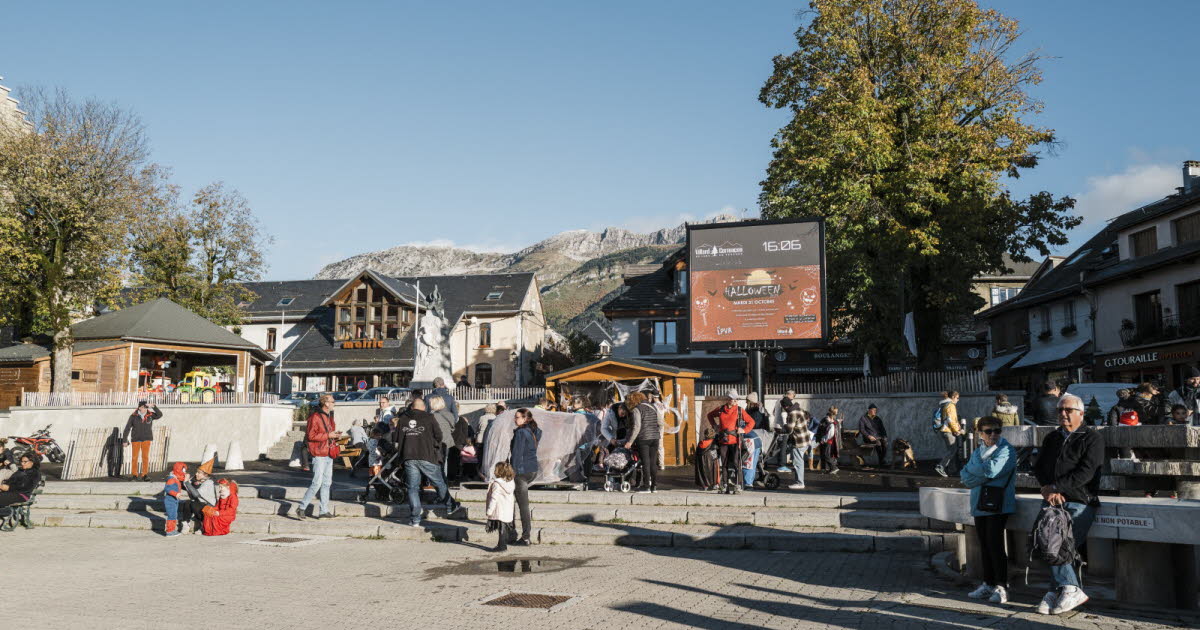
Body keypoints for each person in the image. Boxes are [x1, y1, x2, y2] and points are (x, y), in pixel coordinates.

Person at [1033, 393, 1104, 616]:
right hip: (1053, 499)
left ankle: (1066, 589)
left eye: (1068, 410)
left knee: (1059, 543)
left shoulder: (1091, 438)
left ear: (1081, 413)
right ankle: (1062, 589)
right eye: (1060, 410)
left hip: (1080, 499)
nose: (1063, 414)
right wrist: (1047, 487)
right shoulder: (1052, 438)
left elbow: (1086, 472)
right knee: (1043, 539)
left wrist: (1057, 487)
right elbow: (1039, 466)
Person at [959, 416, 1017, 605]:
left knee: (996, 545)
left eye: (997, 431)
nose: (993, 435)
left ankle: (1002, 586)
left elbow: (991, 472)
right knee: (984, 545)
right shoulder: (978, 451)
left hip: (998, 505)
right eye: (988, 431)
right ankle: (988, 583)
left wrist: (975, 473)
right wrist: (979, 473)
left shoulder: (1007, 450)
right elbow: (964, 476)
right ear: (980, 433)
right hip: (979, 503)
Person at [395, 397, 460, 528]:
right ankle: (450, 505)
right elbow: (439, 436)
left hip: (409, 457)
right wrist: (433, 446)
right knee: (439, 482)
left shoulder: (402, 419)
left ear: (412, 407)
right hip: (427, 455)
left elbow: (397, 439)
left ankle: (415, 519)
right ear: (423, 407)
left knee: (412, 488)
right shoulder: (429, 418)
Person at [292, 394, 342, 521]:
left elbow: (326, 434)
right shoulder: (315, 417)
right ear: (326, 403)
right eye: (333, 401)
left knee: (326, 483)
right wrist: (328, 435)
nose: (334, 403)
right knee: (317, 482)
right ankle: (302, 507)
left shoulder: (328, 417)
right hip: (319, 453)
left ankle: (324, 511)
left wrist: (335, 435)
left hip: (328, 452)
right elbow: (310, 436)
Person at [706, 391, 754, 493]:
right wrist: (715, 426)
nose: (735, 401)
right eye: (733, 399)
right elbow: (709, 415)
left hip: (735, 440)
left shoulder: (739, 410)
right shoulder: (721, 409)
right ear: (728, 399)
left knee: (737, 463)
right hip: (723, 440)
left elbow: (751, 422)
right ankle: (725, 485)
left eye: (736, 399)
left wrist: (744, 430)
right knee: (724, 464)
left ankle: (738, 485)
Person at [510, 408, 541, 545]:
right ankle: (516, 532)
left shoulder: (521, 432)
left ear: (525, 419)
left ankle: (525, 536)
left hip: (521, 471)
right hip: (532, 469)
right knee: (519, 503)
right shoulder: (533, 430)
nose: (515, 419)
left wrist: (512, 472)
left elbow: (517, 454)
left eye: (517, 417)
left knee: (522, 505)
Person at [625, 392, 663, 493]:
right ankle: (654, 486)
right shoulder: (653, 407)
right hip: (655, 438)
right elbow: (660, 422)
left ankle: (646, 486)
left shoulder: (637, 409)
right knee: (653, 462)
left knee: (646, 462)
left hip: (643, 438)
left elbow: (637, 427)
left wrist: (630, 442)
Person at [122, 400, 163, 481]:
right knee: (134, 458)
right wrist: (124, 440)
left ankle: (145, 475)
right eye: (144, 407)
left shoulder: (150, 415)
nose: (145, 409)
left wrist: (153, 406)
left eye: (146, 407)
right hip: (136, 439)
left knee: (145, 457)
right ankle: (134, 475)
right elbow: (127, 428)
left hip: (146, 439)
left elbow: (160, 415)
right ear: (139, 407)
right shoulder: (133, 416)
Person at [485, 461, 517, 552]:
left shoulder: (497, 484)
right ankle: (502, 545)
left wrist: (489, 511)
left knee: (501, 530)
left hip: (499, 510)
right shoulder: (510, 482)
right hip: (507, 510)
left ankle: (502, 546)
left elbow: (493, 498)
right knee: (504, 529)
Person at [427, 395, 459, 481]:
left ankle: (435, 480)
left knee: (435, 462)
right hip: (448, 441)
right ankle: (444, 479)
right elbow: (452, 428)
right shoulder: (450, 415)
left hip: (435, 442)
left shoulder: (430, 416)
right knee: (445, 461)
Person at [934, 391, 963, 477]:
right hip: (948, 431)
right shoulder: (950, 405)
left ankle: (952, 470)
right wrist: (956, 430)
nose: (958, 400)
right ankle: (941, 466)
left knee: (952, 450)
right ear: (953, 397)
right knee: (952, 450)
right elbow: (951, 420)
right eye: (957, 398)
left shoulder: (945, 405)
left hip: (945, 430)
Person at [786, 408, 814, 490]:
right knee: (799, 461)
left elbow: (790, 429)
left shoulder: (792, 413)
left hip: (799, 441)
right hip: (805, 440)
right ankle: (798, 481)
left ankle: (800, 483)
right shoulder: (800, 410)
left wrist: (785, 426)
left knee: (798, 462)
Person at [163, 462, 188, 537]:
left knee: (174, 515)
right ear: (178, 470)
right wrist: (175, 494)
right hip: (170, 500)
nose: (184, 472)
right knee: (172, 515)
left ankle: (172, 530)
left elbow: (182, 480)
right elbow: (167, 488)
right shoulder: (172, 479)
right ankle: (170, 531)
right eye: (183, 471)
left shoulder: (176, 478)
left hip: (174, 500)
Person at [817, 408, 841, 475]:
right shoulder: (827, 421)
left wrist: (823, 439)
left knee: (827, 455)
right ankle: (826, 468)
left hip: (829, 441)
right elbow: (824, 431)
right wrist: (822, 439)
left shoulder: (834, 421)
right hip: (828, 440)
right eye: (836, 412)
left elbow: (831, 433)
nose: (837, 413)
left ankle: (833, 468)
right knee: (825, 454)